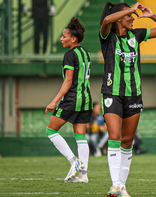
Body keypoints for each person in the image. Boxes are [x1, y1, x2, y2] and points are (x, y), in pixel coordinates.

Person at [99, 2, 156, 196]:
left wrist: (153, 16)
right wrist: (131, 8)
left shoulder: (136, 35)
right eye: (129, 16)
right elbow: (106, 20)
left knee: (127, 141)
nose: (133, 18)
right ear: (120, 17)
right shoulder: (107, 36)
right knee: (114, 137)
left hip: (134, 94)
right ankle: (114, 185)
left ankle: (121, 187)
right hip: (112, 94)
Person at [45, 17, 92, 183]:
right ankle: (83, 175)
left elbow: (68, 81)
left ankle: (74, 161)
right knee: (80, 136)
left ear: (73, 38)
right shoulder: (85, 53)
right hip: (86, 99)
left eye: (64, 36)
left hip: (72, 99)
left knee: (51, 130)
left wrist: (54, 101)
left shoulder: (70, 55)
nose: (61, 39)